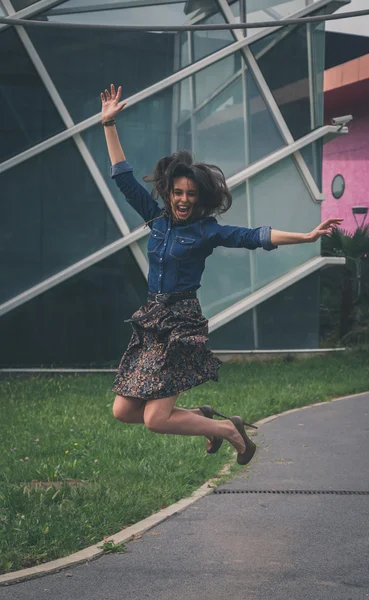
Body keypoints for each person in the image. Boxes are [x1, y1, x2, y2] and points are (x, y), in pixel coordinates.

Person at [101, 84, 342, 466]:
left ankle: (230, 431)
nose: (183, 199)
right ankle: (205, 417)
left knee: (155, 419)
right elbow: (123, 177)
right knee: (124, 411)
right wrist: (109, 123)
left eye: (191, 194)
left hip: (180, 322)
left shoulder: (207, 230)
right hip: (152, 320)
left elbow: (254, 236)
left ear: (200, 197)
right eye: (178, 192)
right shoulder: (156, 220)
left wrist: (307, 235)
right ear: (168, 192)